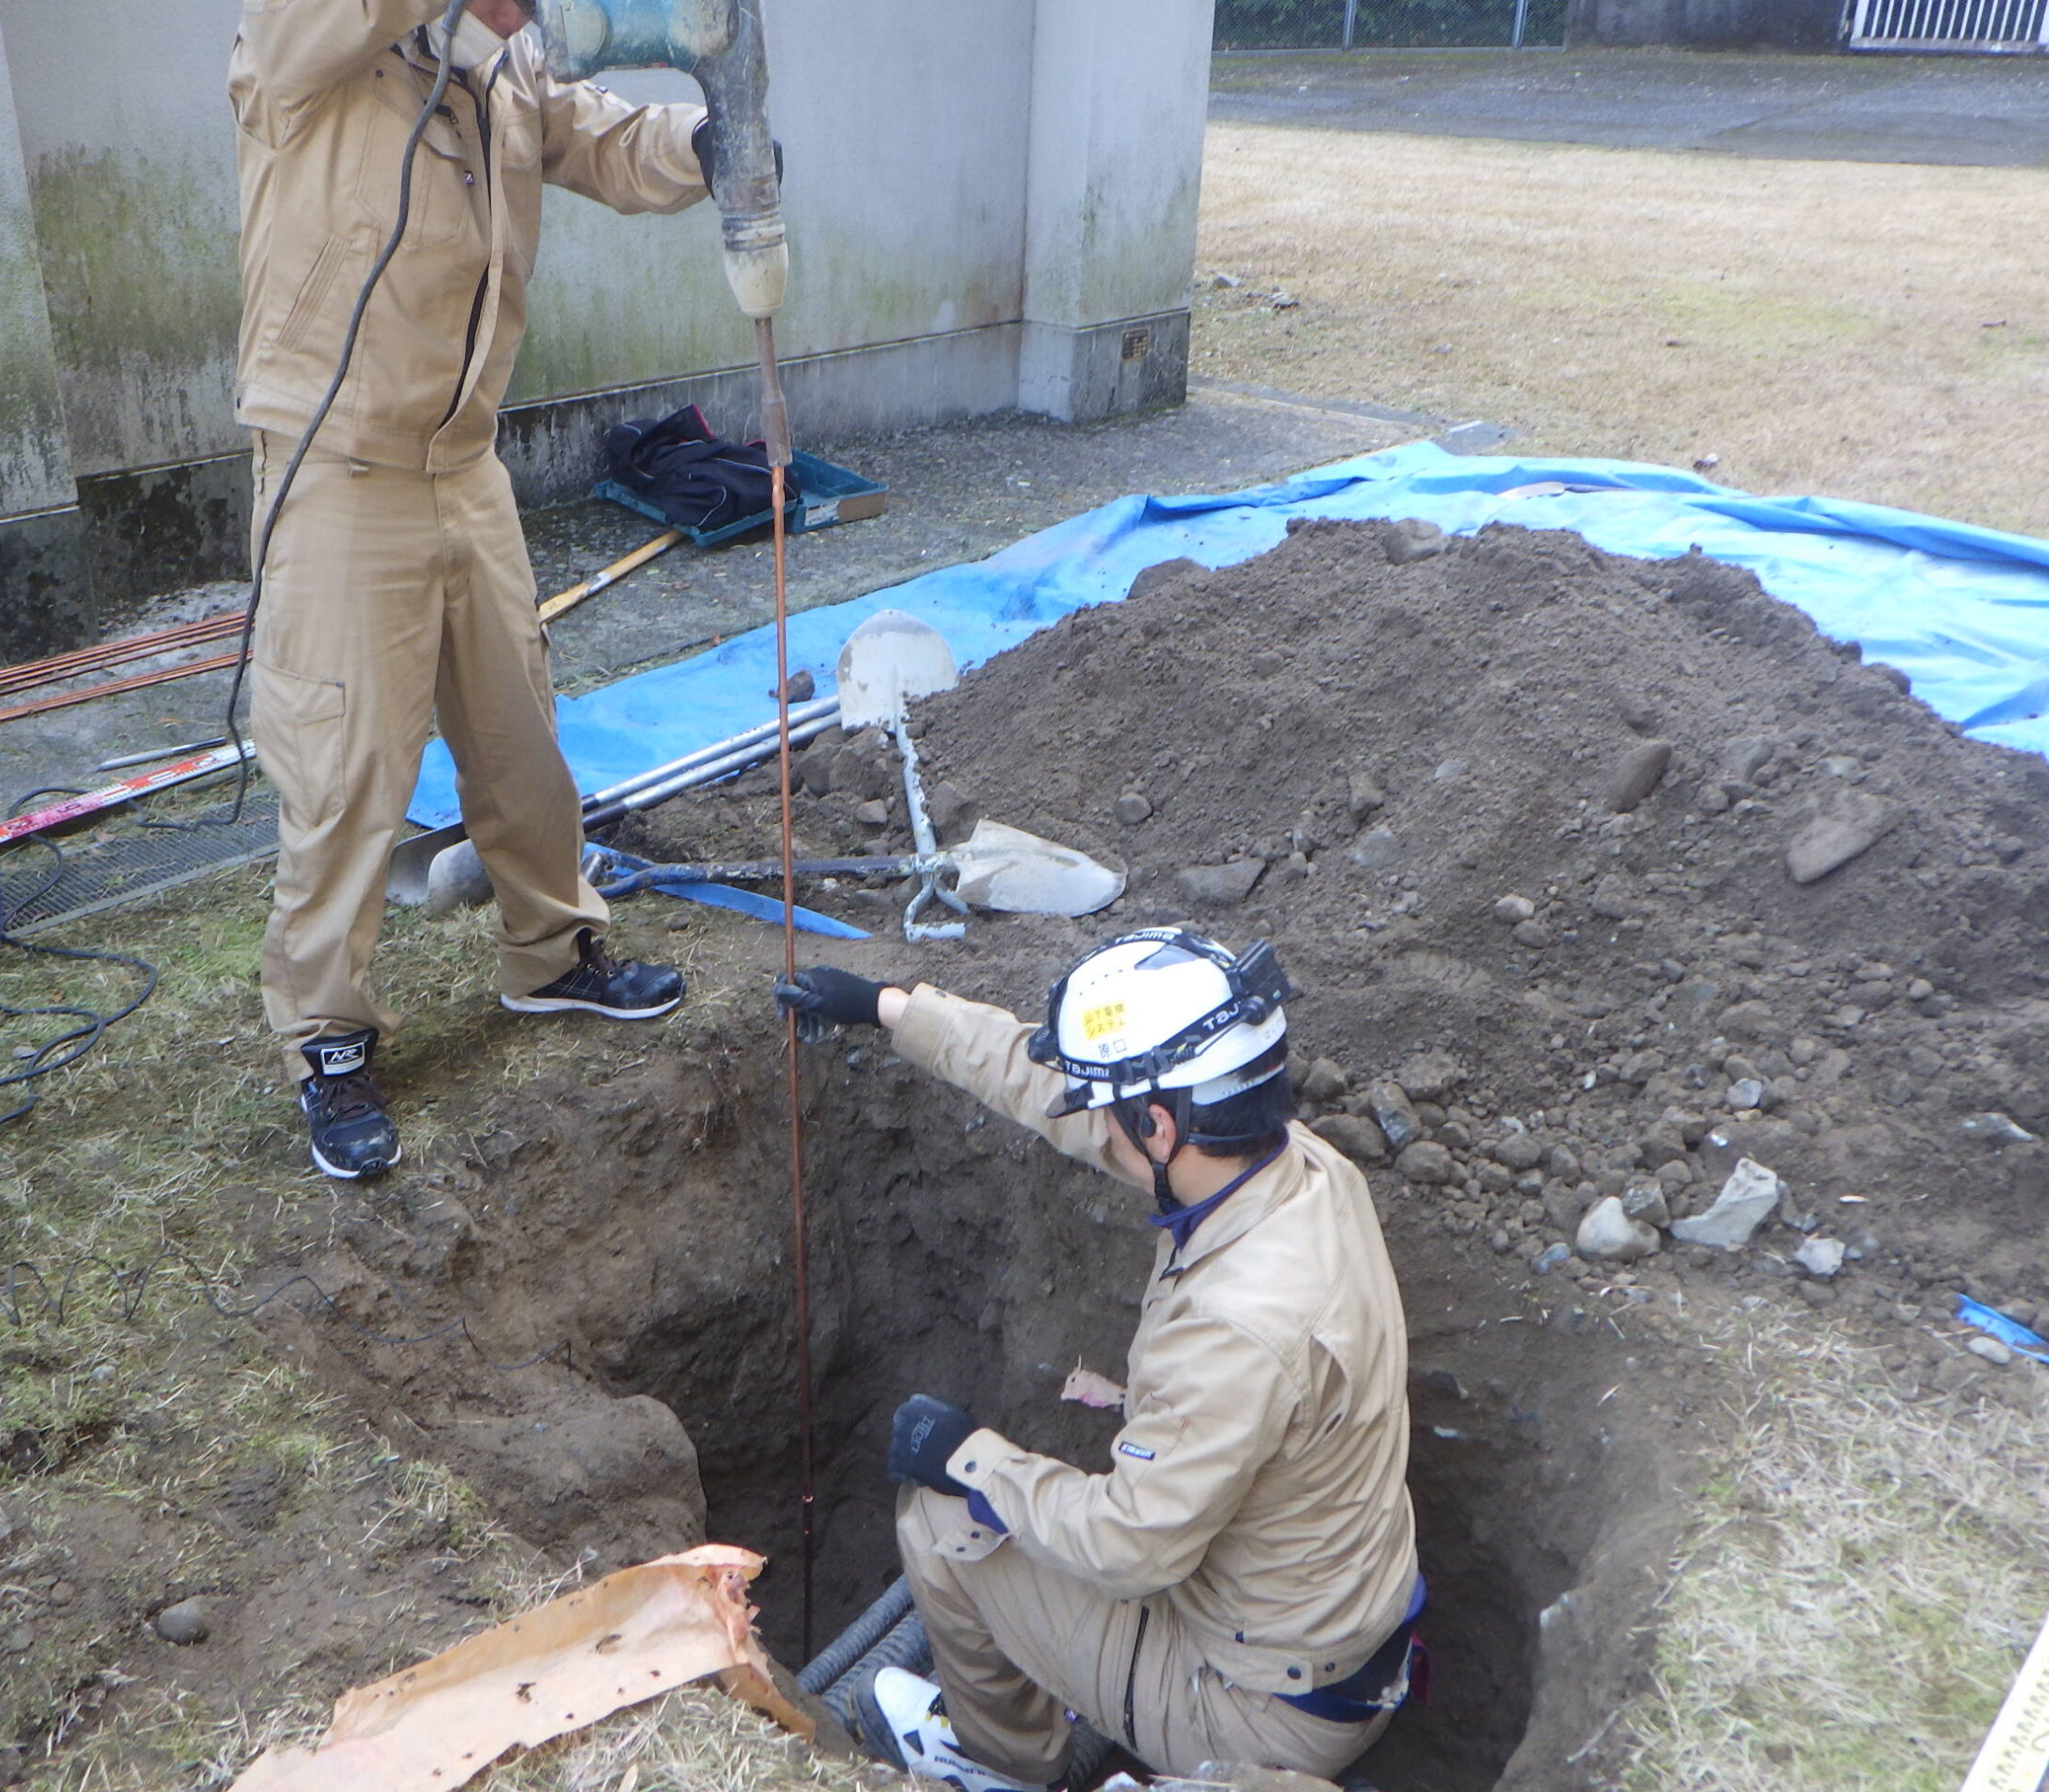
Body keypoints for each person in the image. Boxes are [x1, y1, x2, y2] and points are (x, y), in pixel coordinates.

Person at [231, 0, 711, 1179]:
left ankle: (552, 956)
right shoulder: (306, 37)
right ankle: (327, 1039)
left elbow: (595, 137)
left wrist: (709, 147)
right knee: (346, 769)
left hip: (464, 461)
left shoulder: (503, 62)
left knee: (518, 735)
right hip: (336, 463)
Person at [777, 931, 1422, 1790]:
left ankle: (1003, 1765)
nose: (1094, 1124)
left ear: (1157, 1124)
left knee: (939, 1520)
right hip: (1338, 1632)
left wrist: (964, 1456)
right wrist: (889, 1007)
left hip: (1256, 1707)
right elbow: (1068, 1100)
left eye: (1114, 1111)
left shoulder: (1233, 1326)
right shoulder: (1301, 1171)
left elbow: (1129, 1551)